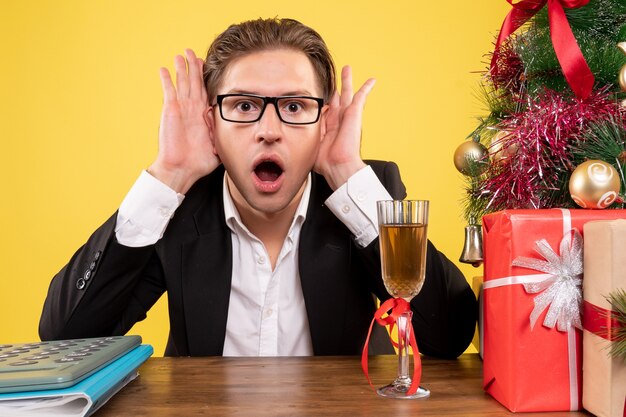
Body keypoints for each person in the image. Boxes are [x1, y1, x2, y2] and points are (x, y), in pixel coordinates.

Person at [39, 17, 476, 358]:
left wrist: (348, 175)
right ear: (211, 123)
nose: (269, 130)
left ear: (324, 123)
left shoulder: (365, 193)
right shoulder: (177, 206)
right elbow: (66, 338)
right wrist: (168, 174)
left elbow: (449, 334)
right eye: (244, 105)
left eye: (294, 106)